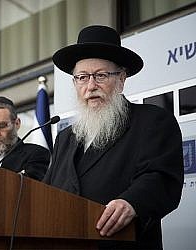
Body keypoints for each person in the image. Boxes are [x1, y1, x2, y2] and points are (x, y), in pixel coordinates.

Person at [43, 25, 184, 249]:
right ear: (74, 83)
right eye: (82, 77)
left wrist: (132, 202)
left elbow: (162, 178)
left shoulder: (152, 121)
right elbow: (47, 193)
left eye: (100, 76)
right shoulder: (65, 138)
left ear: (121, 79)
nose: (91, 86)